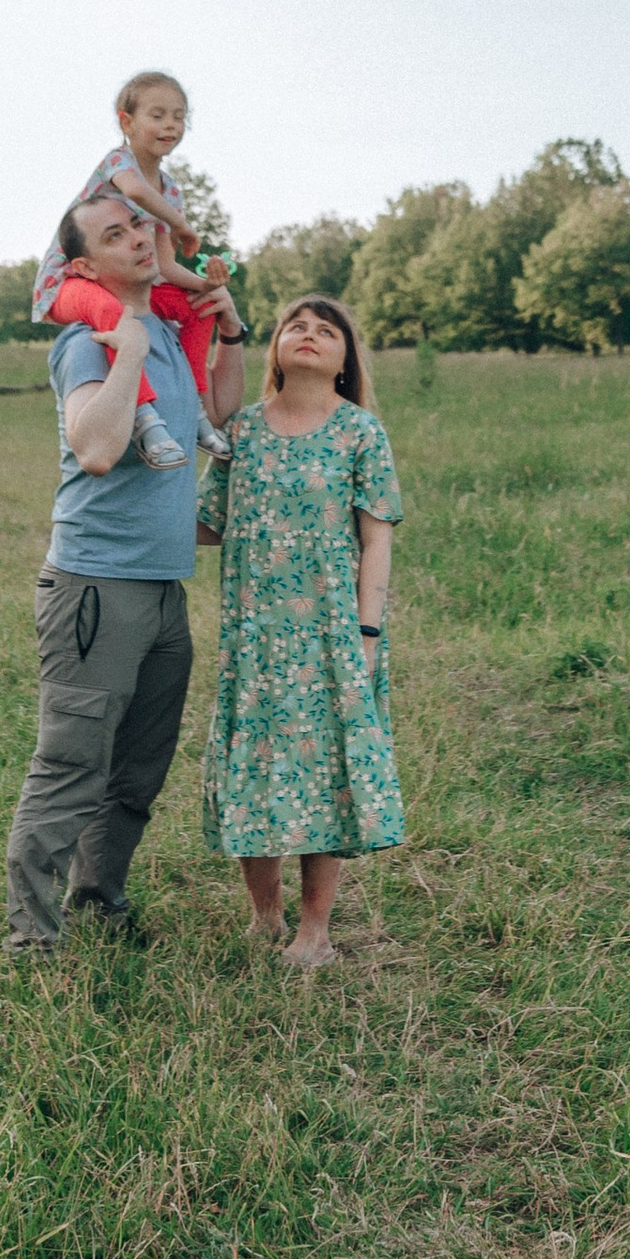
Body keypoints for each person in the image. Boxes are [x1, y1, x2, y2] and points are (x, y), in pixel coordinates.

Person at [4, 189, 247, 955]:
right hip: (97, 589)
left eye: (139, 223)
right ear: (84, 268)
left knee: (139, 768)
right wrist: (129, 351)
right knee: (71, 766)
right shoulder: (88, 341)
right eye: (115, 234)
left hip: (163, 588)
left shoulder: (167, 332)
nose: (140, 237)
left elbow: (217, 411)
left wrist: (230, 330)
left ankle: (98, 897)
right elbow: (99, 448)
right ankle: (31, 941)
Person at [198, 294, 404, 970]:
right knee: (254, 769)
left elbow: (376, 539)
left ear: (345, 360)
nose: (309, 335)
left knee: (325, 775)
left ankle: (315, 932)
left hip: (329, 636)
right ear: (277, 349)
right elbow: (207, 523)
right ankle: (266, 916)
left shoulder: (360, 433)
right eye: (296, 326)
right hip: (254, 639)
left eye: (326, 331)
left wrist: (367, 632)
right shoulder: (241, 431)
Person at [30, 70, 231, 472]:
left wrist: (207, 285)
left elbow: (166, 265)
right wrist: (182, 225)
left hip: (122, 284)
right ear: (126, 122)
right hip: (69, 283)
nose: (170, 125)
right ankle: (145, 420)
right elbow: (136, 190)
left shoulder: (170, 190)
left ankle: (195, 409)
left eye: (179, 117)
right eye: (157, 115)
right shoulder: (117, 162)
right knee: (115, 314)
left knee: (198, 307)